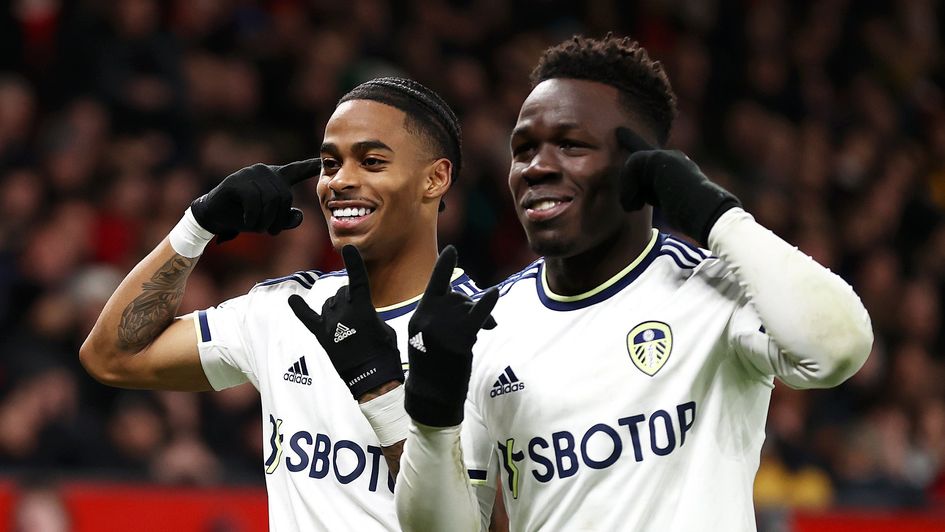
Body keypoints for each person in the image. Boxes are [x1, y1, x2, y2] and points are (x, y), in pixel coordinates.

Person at [392, 35, 874, 531]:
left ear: (639, 166)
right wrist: (431, 417)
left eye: (571, 144)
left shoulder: (712, 293)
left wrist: (717, 216)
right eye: (524, 149)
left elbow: (840, 347)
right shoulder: (488, 324)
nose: (536, 167)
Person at [80, 77, 484, 531]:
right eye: (330, 163)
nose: (341, 181)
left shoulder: (490, 332)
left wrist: (380, 394)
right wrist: (199, 225)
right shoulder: (286, 310)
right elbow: (111, 356)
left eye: (371, 162)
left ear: (435, 178)